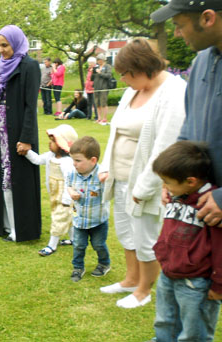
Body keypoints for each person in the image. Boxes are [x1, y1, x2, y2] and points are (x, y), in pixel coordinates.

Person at [99, 38, 186, 309]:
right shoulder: (131, 91)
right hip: (121, 176)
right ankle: (130, 279)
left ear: (141, 68)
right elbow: (115, 131)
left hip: (146, 181)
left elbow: (166, 146)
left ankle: (144, 290)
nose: (123, 79)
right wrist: (105, 166)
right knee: (126, 232)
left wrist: (145, 187)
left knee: (146, 236)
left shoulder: (173, 92)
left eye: (125, 74)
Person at [151, 0, 222, 229]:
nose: (176, 33)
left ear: (208, 18)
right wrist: (174, 175)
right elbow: (188, 130)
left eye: (179, 25)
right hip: (202, 218)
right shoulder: (200, 62)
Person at [151, 141, 222, 342]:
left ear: (191, 181)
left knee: (194, 332)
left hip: (195, 283)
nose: (164, 187)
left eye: (167, 181)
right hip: (168, 273)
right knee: (164, 321)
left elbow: (219, 247)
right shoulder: (178, 194)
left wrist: (219, 284)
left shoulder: (211, 206)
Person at [0, 25, 42, 242]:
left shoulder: (30, 66)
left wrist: (26, 138)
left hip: (18, 131)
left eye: (5, 45)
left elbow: (30, 106)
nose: (1, 50)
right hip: (0, 130)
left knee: (19, 178)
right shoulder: (1, 66)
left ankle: (22, 227)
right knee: (3, 177)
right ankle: (6, 224)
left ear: (15, 43)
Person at [25, 125, 78, 256]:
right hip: (55, 195)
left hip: (65, 197)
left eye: (54, 141)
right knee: (68, 218)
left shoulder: (67, 162)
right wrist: (27, 152)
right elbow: (37, 160)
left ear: (62, 145)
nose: (50, 143)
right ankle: (73, 239)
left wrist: (67, 200)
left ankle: (51, 245)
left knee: (58, 218)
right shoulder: (50, 156)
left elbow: (70, 182)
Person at [66, 136, 110, 282]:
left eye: (78, 161)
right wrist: (71, 192)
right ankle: (78, 267)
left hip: (98, 220)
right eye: (73, 160)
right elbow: (69, 184)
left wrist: (107, 180)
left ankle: (104, 264)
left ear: (93, 160)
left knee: (98, 244)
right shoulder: (73, 173)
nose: (74, 164)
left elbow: (110, 192)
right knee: (78, 245)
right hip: (79, 220)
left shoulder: (102, 175)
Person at [92, 53, 112, 125]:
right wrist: (93, 72)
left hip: (104, 87)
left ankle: (104, 118)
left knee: (103, 103)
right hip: (96, 87)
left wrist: (100, 73)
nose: (98, 61)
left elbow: (108, 75)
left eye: (99, 59)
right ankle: (99, 118)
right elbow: (92, 78)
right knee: (97, 103)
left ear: (103, 60)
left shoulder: (107, 67)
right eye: (97, 59)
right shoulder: (96, 67)